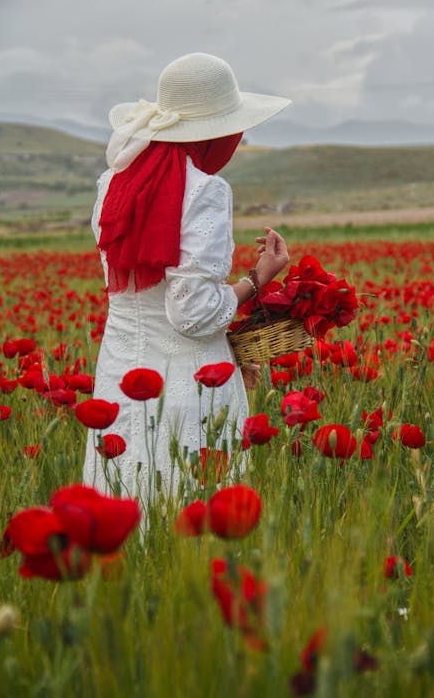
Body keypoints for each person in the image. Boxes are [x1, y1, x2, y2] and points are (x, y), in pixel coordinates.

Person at [82, 52, 290, 504]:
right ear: (217, 133)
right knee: (189, 513)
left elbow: (152, 298)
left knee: (122, 505)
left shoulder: (112, 183)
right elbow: (192, 314)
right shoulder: (205, 190)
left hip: (120, 371)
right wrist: (258, 278)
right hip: (188, 382)